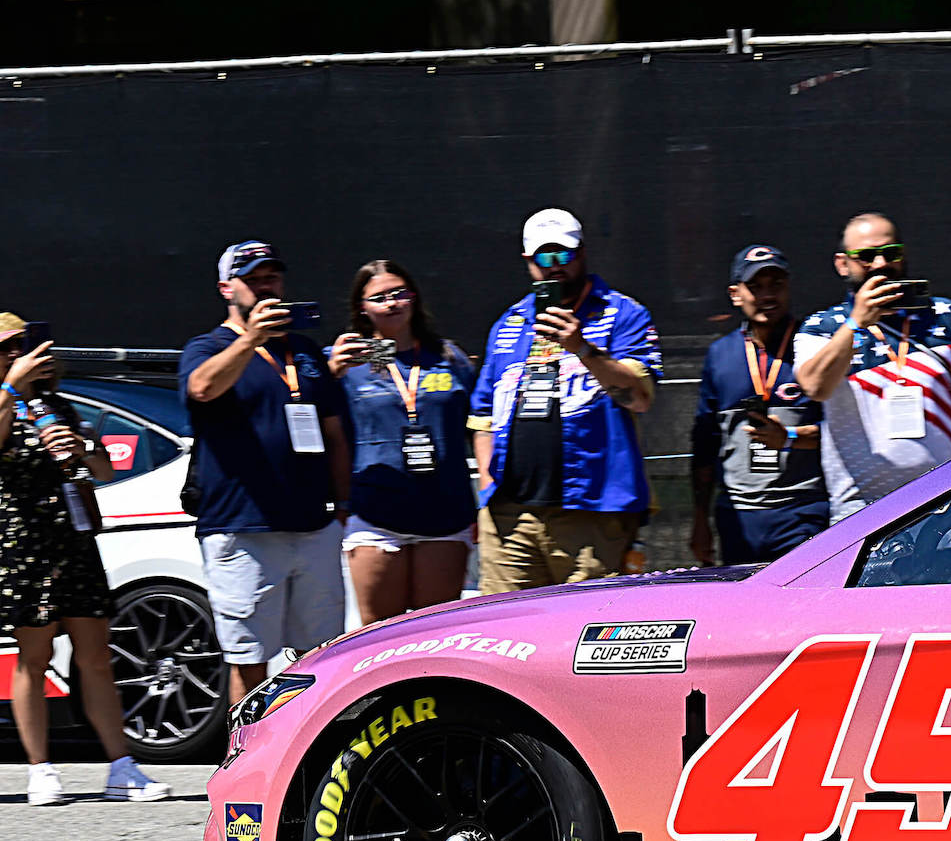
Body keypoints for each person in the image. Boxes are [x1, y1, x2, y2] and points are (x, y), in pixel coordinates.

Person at [1, 317, 170, 804]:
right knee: (33, 659)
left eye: (24, 345)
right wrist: (10, 387)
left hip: (73, 543)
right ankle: (40, 769)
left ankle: (122, 767)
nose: (21, 353)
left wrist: (84, 448)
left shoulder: (54, 405)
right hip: (25, 548)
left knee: (95, 656)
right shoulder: (7, 403)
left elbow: (102, 468)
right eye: (8, 347)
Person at [182, 241, 351, 705]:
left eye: (272, 277)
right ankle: (246, 769)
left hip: (313, 526)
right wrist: (250, 340)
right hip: (244, 529)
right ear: (226, 289)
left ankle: (310, 764)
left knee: (320, 658)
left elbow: (335, 434)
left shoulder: (305, 351)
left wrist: (342, 507)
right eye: (253, 279)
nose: (265, 286)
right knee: (251, 660)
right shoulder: (209, 347)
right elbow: (201, 388)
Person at [469, 209, 659, 593]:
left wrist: (581, 347)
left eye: (564, 255)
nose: (555, 267)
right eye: (544, 257)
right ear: (527, 261)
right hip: (510, 515)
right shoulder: (508, 322)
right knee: (502, 634)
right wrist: (489, 484)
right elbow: (483, 414)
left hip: (590, 510)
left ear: (583, 253)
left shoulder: (622, 313)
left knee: (584, 634)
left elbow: (639, 398)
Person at [795, 213, 951, 523]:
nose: (880, 263)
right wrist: (856, 324)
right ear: (843, 264)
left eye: (890, 252)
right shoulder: (821, 327)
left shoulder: (946, 316)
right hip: (861, 512)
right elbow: (815, 387)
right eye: (866, 256)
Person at [327, 261, 479, 623]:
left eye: (399, 293)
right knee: (378, 638)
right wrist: (330, 375)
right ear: (362, 307)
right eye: (379, 297)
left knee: (433, 635)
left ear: (414, 298)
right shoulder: (350, 361)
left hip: (444, 513)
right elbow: (321, 429)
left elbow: (481, 425)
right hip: (375, 515)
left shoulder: (447, 357)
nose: (392, 303)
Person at [692, 246, 829, 564]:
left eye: (776, 284)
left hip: (803, 511)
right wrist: (700, 520)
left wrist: (791, 437)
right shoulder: (720, 354)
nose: (768, 295)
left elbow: (843, 433)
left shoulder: (816, 345)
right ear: (735, 294)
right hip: (738, 517)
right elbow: (704, 445)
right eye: (755, 286)